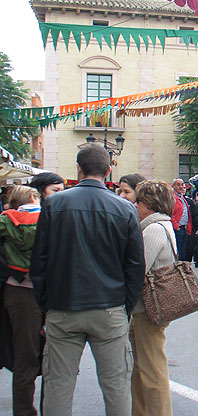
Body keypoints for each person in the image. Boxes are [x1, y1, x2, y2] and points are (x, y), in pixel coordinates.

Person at [30, 144, 145, 415]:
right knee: (116, 385)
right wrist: (124, 306)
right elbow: (134, 266)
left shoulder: (54, 203)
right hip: (109, 307)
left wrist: (46, 303)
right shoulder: (125, 208)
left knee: (58, 385)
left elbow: (39, 261)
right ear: (108, 171)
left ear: (78, 169)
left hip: (64, 305)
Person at [129, 180, 176, 416]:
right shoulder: (159, 226)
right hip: (148, 308)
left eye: (137, 201)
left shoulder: (154, 229)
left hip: (146, 309)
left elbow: (139, 270)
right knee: (141, 369)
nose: (135, 205)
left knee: (152, 369)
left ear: (149, 203)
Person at [0, 186, 42, 416]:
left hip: (18, 288)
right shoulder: (44, 220)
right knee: (28, 355)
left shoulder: (6, 221)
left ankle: (25, 410)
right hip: (29, 292)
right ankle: (25, 411)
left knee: (26, 355)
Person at [170, 179, 198, 261]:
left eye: (182, 184)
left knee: (184, 253)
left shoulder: (182, 198)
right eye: (178, 184)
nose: (181, 186)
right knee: (179, 253)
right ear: (173, 186)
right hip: (178, 229)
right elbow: (170, 213)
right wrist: (176, 226)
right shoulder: (172, 198)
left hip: (185, 229)